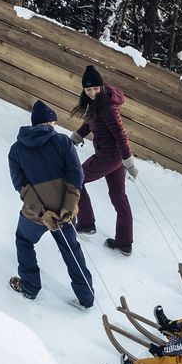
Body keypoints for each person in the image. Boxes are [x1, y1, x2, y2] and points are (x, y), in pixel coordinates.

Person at [7, 100, 94, 308]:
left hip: (36, 215)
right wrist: (69, 206)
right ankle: (87, 297)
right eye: (54, 123)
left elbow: (22, 187)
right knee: (71, 249)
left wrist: (42, 213)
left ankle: (29, 286)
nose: (55, 127)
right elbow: (76, 175)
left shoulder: (16, 150)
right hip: (64, 211)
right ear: (49, 123)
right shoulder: (63, 142)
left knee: (24, 241)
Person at [70, 65, 136, 255]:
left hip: (108, 156)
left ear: (101, 86)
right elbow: (91, 121)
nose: (92, 92)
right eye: (88, 89)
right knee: (118, 196)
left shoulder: (107, 107)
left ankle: (86, 223)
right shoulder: (99, 103)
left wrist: (128, 161)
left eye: (95, 88)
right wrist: (77, 136)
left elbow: (120, 134)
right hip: (113, 158)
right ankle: (124, 243)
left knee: (76, 178)